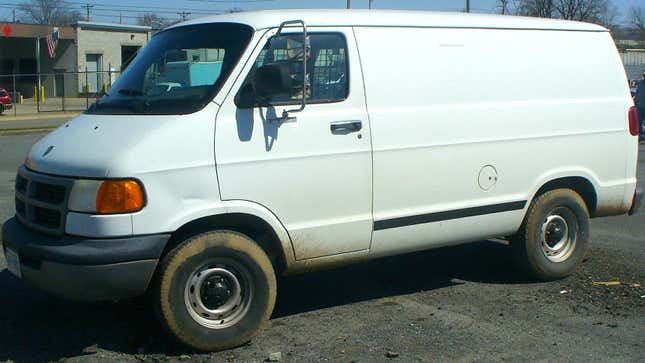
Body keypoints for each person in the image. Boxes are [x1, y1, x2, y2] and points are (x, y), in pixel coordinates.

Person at [636, 71, 645, 140]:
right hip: (640, 107)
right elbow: (637, 94)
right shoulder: (639, 83)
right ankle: (640, 136)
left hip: (641, 106)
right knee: (639, 121)